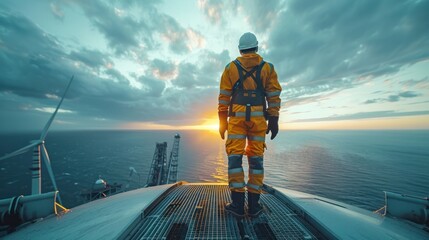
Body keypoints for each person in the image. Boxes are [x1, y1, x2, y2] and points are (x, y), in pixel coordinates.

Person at [218, 32, 282, 218]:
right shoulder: (267, 68)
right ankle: (254, 206)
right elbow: (273, 95)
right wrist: (274, 119)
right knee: (256, 161)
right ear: (256, 47)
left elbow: (224, 96)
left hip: (237, 121)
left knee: (235, 161)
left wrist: (222, 121)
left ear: (240, 49)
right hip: (258, 122)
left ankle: (237, 206)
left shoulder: (230, 68)